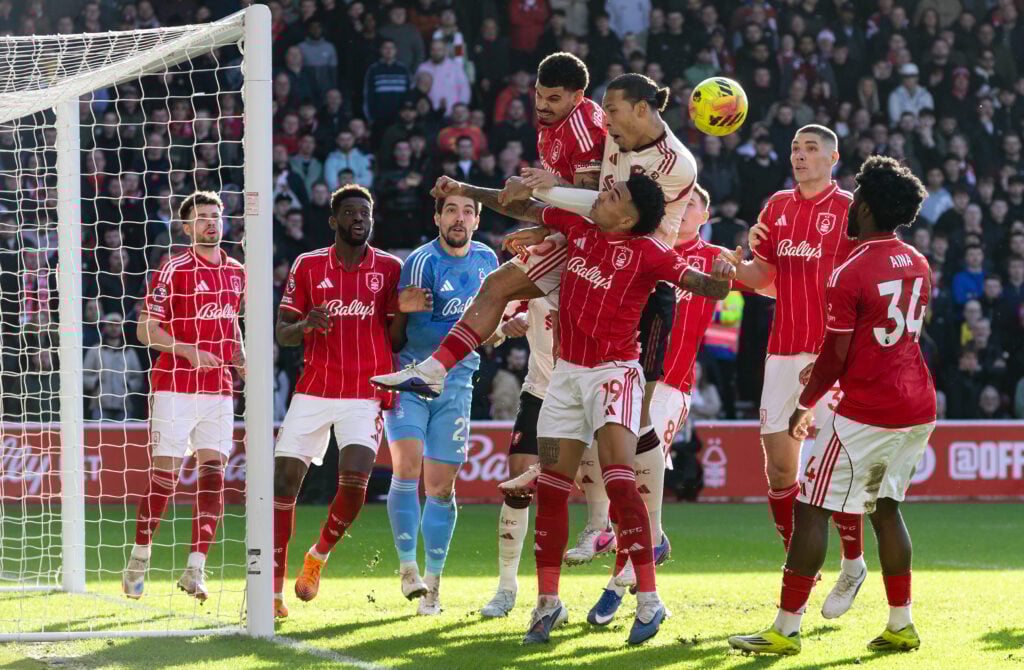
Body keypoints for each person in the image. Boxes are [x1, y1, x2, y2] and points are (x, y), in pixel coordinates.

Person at [443, 172, 730, 645]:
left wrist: (719, 281)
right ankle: (547, 604)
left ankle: (649, 600)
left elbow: (701, 284)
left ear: (629, 217)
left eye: (612, 195)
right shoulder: (579, 228)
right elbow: (520, 206)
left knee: (619, 480)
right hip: (565, 379)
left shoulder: (650, 252)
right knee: (553, 489)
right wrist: (466, 189)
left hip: (615, 375)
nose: (600, 197)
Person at [729, 155, 935, 656]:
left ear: (864, 207)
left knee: (810, 509)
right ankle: (901, 623)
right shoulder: (918, 261)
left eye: (857, 196)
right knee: (885, 509)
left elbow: (834, 356)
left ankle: (785, 629)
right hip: (917, 404)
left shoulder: (851, 270)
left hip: (869, 408)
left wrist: (805, 403)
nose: (850, 203)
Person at [725, 124, 869, 620]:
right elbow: (763, 277)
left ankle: (852, 564)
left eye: (810, 149)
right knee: (780, 470)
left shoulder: (850, 210)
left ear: (832, 158)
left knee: (835, 471)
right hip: (782, 353)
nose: (800, 156)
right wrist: (733, 266)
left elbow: (867, 281)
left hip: (833, 356)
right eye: (795, 148)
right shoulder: (776, 207)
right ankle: (800, 567)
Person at [270, 184, 428, 619]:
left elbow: (396, 339)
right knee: (282, 484)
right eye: (351, 212)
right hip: (314, 389)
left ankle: (318, 555)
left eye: (365, 213)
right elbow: (282, 334)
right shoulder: (307, 265)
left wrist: (405, 311)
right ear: (333, 220)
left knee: (356, 485)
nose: (359, 219)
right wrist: (305, 324)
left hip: (365, 391)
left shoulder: (391, 269)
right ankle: (273, 591)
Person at [122, 191, 246, 602]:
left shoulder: (237, 272)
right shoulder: (173, 268)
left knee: (214, 475)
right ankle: (140, 556)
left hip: (219, 389)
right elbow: (145, 329)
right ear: (187, 226)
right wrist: (187, 350)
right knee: (165, 478)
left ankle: (196, 569)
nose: (211, 223)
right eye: (202, 217)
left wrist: (242, 361)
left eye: (216, 216)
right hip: (174, 386)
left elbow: (231, 323)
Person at [383, 191, 498, 616]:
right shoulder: (420, 262)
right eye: (451, 210)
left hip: (458, 382)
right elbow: (396, 333)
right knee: (406, 466)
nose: (459, 218)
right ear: (437, 217)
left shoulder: (488, 260)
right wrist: (399, 308)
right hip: (412, 377)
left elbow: (490, 320)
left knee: (441, 488)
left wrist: (507, 326)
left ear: (477, 221)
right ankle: (407, 568)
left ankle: (432, 585)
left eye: (468, 211)